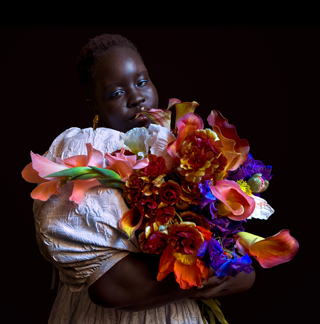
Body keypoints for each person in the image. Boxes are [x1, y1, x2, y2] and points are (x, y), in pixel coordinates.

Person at [32, 33, 256, 323]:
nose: (137, 97)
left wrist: (238, 272)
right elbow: (109, 287)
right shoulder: (87, 147)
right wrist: (207, 274)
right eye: (115, 93)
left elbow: (236, 250)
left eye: (141, 82)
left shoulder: (184, 147)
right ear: (93, 106)